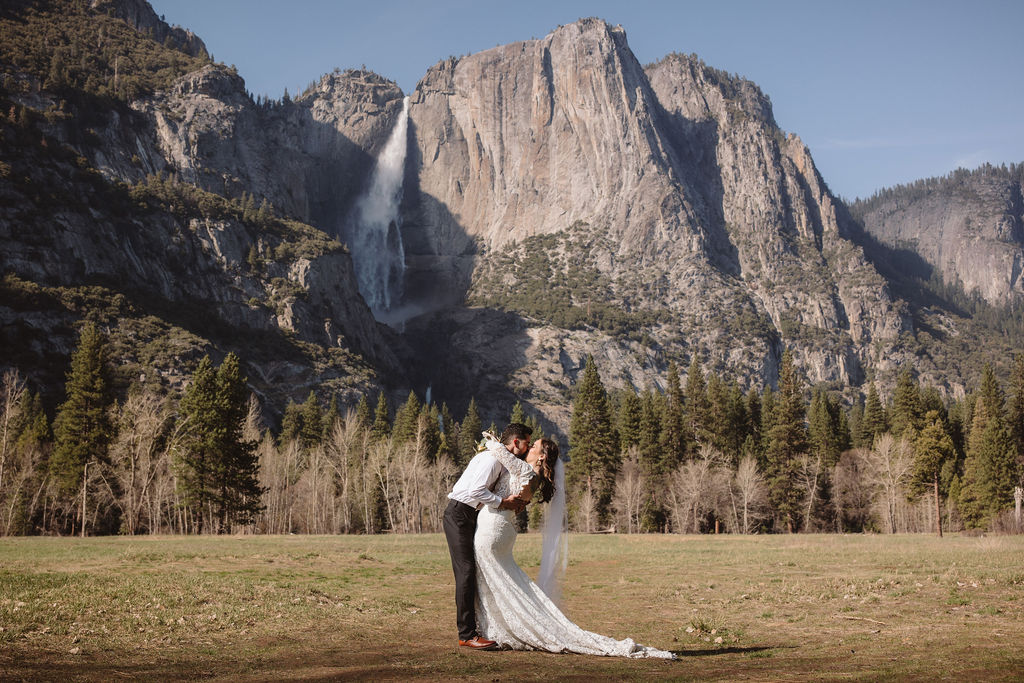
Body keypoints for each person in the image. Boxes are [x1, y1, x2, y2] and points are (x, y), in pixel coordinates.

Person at [474, 437, 676, 659]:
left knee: (495, 576)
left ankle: (496, 626)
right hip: (501, 529)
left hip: (494, 529)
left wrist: (490, 441)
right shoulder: (533, 476)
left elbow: (500, 452)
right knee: (502, 578)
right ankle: (495, 625)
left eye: (534, 446)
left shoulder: (527, 472)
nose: (529, 448)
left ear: (541, 456)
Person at [443, 423, 534, 650]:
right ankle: (466, 634)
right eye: (527, 443)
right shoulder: (491, 460)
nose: (528, 448)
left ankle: (479, 628)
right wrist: (503, 502)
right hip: (460, 513)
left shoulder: (500, 460)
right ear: (515, 442)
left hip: (470, 515)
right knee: (465, 572)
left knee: (474, 570)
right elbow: (475, 491)